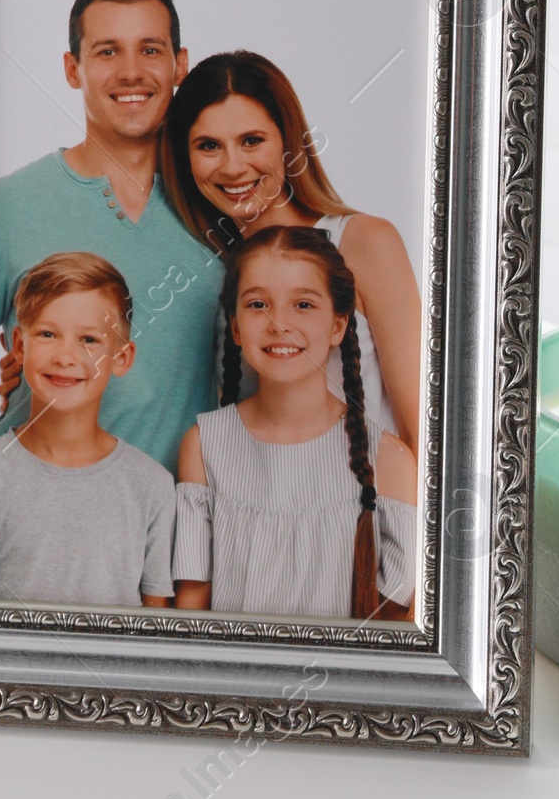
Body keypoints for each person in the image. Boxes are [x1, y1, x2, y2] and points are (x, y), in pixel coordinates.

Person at [0, 0, 222, 521]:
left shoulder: (222, 205)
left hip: (183, 533)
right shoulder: (4, 210)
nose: (130, 72)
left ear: (180, 65)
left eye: (150, 49)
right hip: (32, 521)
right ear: (73, 69)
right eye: (106, 52)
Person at [160, 50, 422, 455]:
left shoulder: (365, 242)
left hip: (364, 509)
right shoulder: (209, 271)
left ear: (288, 139)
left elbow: (422, 431)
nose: (232, 167)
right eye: (209, 146)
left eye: (252, 141)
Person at [173, 227, 415, 620]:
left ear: (338, 325)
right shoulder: (204, 444)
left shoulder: (388, 459)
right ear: (234, 327)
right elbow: (191, 605)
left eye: (303, 305)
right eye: (257, 305)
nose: (278, 323)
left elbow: (396, 620)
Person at [0, 252, 175, 610]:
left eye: (89, 340)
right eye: (48, 334)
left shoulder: (152, 486)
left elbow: (154, 619)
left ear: (121, 358)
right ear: (20, 345)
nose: (66, 356)